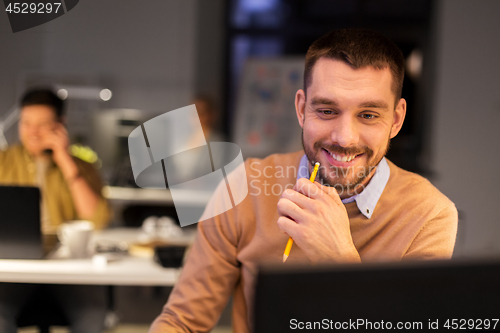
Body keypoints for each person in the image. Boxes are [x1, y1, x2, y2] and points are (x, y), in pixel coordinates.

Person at [149, 29, 458, 333]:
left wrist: (339, 259)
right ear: (301, 109)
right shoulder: (245, 185)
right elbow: (182, 322)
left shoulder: (429, 214)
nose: (344, 138)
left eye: (368, 115)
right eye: (326, 110)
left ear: (396, 119)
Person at [0, 88, 111, 333]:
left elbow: (97, 218)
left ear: (61, 125)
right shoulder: (3, 161)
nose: (33, 132)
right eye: (26, 123)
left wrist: (64, 159)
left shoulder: (83, 166)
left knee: (93, 316)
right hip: (16, 262)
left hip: (68, 265)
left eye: (42, 125)